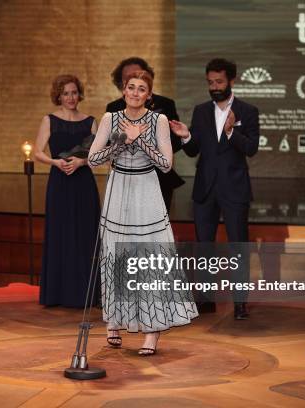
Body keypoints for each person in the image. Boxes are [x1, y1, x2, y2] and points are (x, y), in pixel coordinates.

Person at [89, 70, 198, 356]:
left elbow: (165, 164)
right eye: (131, 87)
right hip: (118, 188)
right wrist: (122, 140)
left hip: (146, 190)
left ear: (148, 95)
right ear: (123, 91)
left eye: (141, 89)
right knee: (115, 256)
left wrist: (141, 140)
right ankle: (114, 322)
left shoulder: (158, 120)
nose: (135, 93)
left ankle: (152, 332)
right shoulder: (110, 118)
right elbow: (93, 159)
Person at [169, 58, 259, 320]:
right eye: (210, 82)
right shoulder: (200, 111)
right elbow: (195, 148)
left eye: (219, 82)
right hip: (205, 189)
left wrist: (232, 132)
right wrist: (186, 135)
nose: (214, 86)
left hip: (235, 189)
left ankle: (240, 303)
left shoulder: (247, 110)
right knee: (204, 246)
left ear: (232, 80)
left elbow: (251, 148)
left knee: (238, 246)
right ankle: (205, 299)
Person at [35, 74, 100, 308]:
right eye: (66, 93)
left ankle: (86, 294)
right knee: (61, 234)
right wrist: (56, 163)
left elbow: (99, 155)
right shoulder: (49, 120)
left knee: (86, 235)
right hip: (60, 183)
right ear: (58, 96)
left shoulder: (90, 121)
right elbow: (37, 152)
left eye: (74, 92)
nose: (71, 97)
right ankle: (58, 294)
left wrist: (82, 163)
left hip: (83, 184)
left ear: (79, 94)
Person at [106, 57, 184, 212]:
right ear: (122, 84)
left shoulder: (165, 104)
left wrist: (147, 145)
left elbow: (175, 141)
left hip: (159, 176)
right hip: (124, 177)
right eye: (127, 79)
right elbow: (109, 146)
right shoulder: (113, 108)